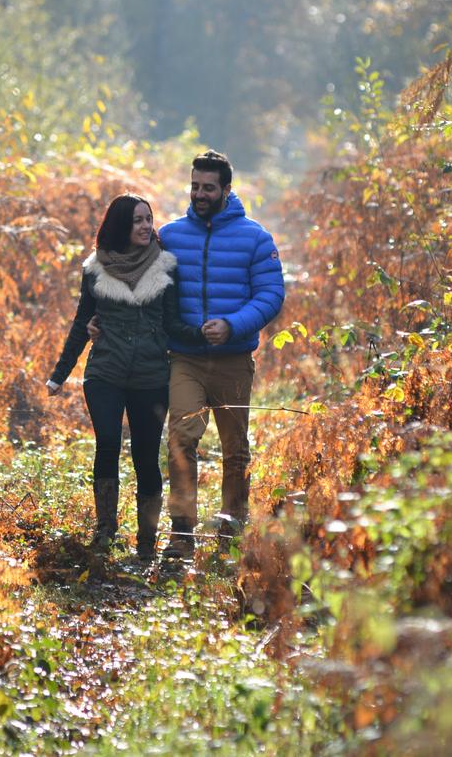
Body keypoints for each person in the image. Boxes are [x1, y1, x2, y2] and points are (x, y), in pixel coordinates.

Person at [46, 194, 205, 560]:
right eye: (137, 220)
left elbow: (172, 323)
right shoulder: (95, 269)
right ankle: (105, 533)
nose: (146, 226)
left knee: (146, 456)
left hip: (151, 376)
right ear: (120, 225)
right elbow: (80, 323)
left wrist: (205, 336)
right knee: (107, 443)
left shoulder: (166, 268)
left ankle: (146, 540)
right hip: (105, 373)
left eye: (148, 219)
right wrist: (60, 373)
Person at [156, 150, 284, 559]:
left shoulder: (256, 238)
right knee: (181, 437)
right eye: (194, 186)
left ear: (227, 190)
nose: (199, 194)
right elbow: (141, 280)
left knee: (235, 448)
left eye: (208, 187)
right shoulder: (171, 236)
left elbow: (270, 295)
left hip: (233, 360)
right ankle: (182, 531)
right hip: (186, 358)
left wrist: (233, 324)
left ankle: (231, 528)